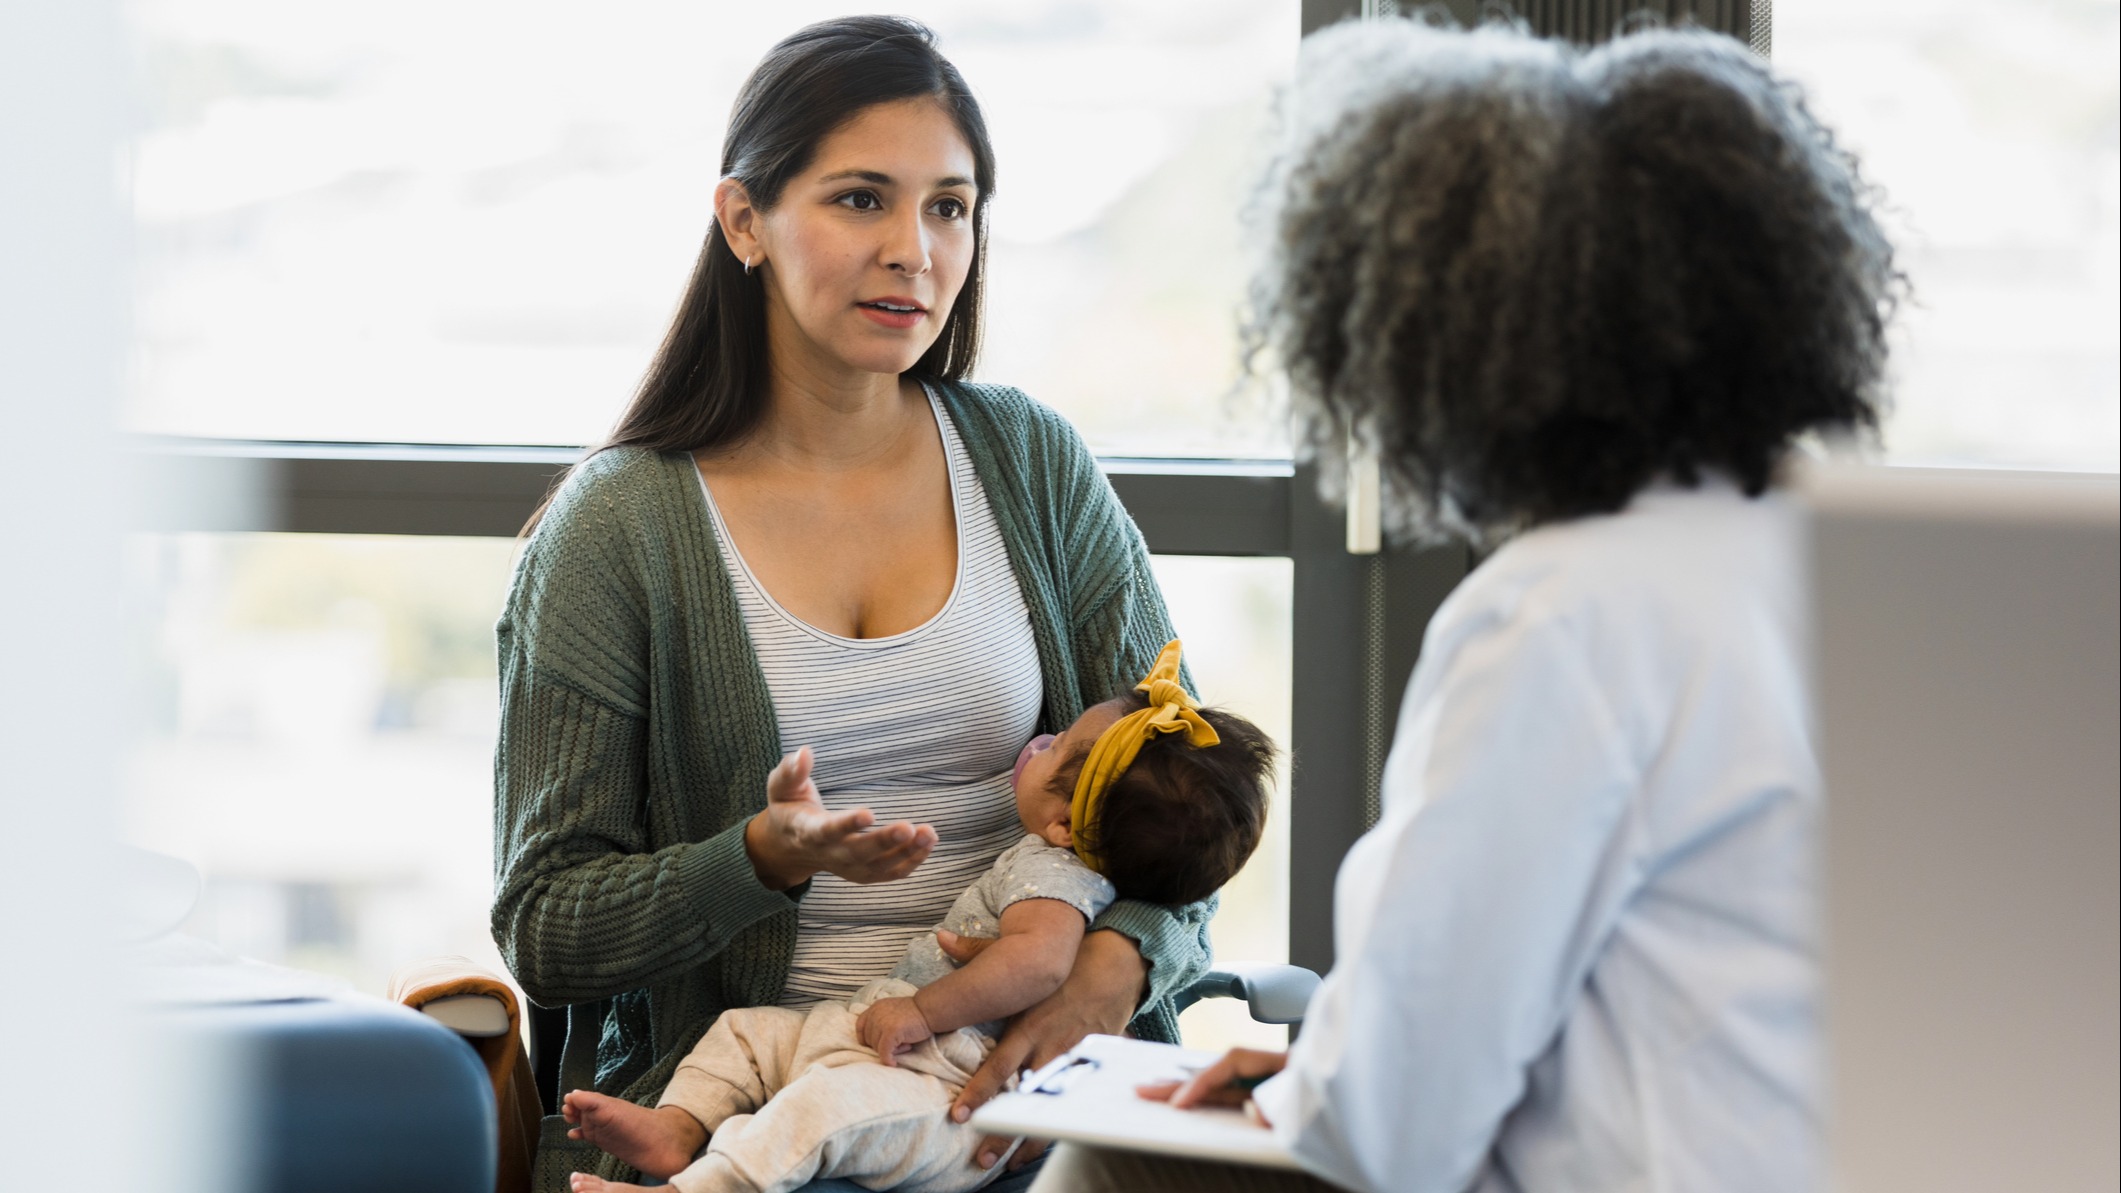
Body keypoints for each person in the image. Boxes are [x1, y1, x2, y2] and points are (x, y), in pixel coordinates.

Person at [1031, 19, 1898, 1193]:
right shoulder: (1806, 560)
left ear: (1425, 346)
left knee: (1107, 1156)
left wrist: (1310, 1079)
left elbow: (1394, 1125)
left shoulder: (1556, 615)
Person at [491, 19, 1226, 1192]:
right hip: (742, 1124)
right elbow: (546, 925)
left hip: (1030, 1112)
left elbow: (1190, 784)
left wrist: (1118, 967)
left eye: (949, 206)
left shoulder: (1032, 463)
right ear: (744, 221)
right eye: (860, 200)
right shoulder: (618, 529)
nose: (914, 250)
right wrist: (754, 860)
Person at [559, 643, 1275, 1193]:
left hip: (944, 1088)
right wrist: (761, 857)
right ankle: (677, 1126)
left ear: (1063, 824)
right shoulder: (1059, 854)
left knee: (818, 1112)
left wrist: (927, 1009)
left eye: (1055, 747)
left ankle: (700, 1185)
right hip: (868, 1037)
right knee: (742, 1036)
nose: (1042, 739)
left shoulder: (1052, 875)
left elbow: (1042, 961)